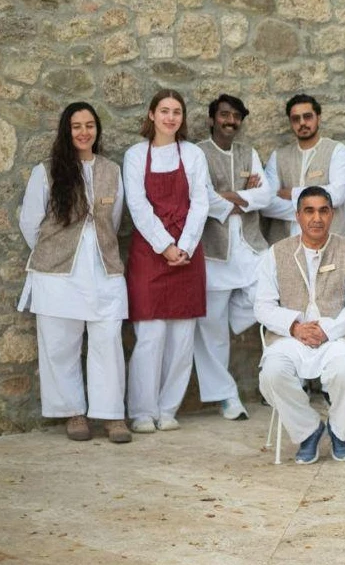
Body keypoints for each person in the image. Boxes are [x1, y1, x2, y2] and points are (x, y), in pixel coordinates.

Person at [17, 102, 131, 443]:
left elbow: (115, 219)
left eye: (90, 125)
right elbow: (30, 221)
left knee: (108, 340)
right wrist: (55, 249)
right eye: (76, 126)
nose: (84, 132)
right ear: (67, 131)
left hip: (103, 270)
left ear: (97, 130)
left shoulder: (111, 170)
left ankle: (111, 415)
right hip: (57, 274)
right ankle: (73, 412)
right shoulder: (47, 170)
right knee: (59, 344)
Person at [255, 187, 345, 464]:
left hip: (337, 336)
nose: (316, 218)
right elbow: (262, 305)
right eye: (309, 211)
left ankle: (340, 432)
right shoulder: (277, 252)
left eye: (323, 210)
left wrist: (328, 329)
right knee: (271, 373)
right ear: (297, 216)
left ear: (332, 214)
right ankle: (308, 430)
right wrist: (294, 327)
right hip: (290, 337)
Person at [122, 89, 210, 433]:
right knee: (151, 335)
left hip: (188, 251)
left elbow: (201, 202)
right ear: (151, 115)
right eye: (164, 111)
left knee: (182, 337)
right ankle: (143, 411)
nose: (170, 117)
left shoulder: (192, 154)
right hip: (150, 251)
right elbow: (138, 205)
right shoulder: (134, 155)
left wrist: (185, 245)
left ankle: (168, 408)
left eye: (177, 112)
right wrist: (165, 245)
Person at [194, 94, 273, 422]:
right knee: (211, 329)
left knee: (266, 303)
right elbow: (202, 199)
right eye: (224, 115)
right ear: (212, 119)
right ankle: (226, 396)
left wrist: (226, 196)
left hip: (251, 247)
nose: (230, 121)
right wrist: (243, 196)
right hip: (214, 253)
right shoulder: (199, 153)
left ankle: (277, 381)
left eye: (236, 116)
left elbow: (265, 196)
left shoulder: (248, 152)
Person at [260, 94, 345, 244]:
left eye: (307, 116)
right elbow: (266, 203)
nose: (302, 122)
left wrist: (292, 193)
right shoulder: (278, 156)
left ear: (319, 117)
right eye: (296, 119)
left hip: (332, 244)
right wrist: (313, 210)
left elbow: (337, 195)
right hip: (288, 245)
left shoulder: (336, 150)